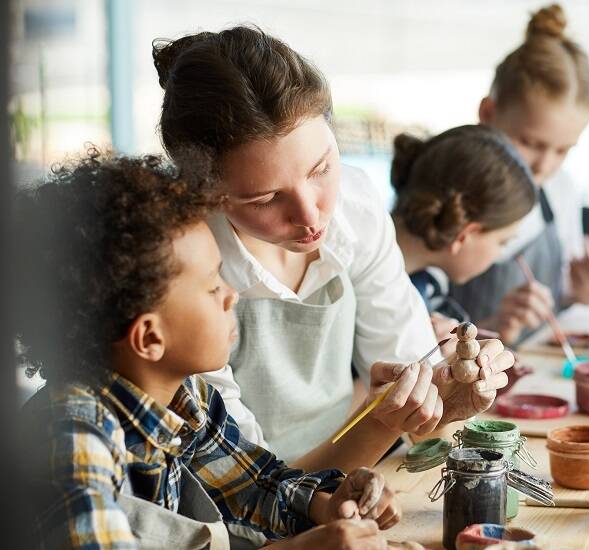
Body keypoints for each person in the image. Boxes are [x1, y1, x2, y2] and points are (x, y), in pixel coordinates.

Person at [152, 26, 514, 473]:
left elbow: (416, 402)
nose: (311, 215)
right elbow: (244, 486)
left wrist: (444, 398)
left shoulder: (355, 207)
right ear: (204, 192)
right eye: (265, 199)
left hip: (350, 479)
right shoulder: (181, 267)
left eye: (322, 168)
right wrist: (384, 422)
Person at [16, 150, 398, 549]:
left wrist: (328, 505)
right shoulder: (73, 435)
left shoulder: (185, 397)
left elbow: (254, 488)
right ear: (149, 338)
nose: (231, 295)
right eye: (213, 286)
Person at [449, 4, 589, 345]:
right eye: (530, 143)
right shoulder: (444, 193)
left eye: (563, 150)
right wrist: (494, 324)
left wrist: (582, 292)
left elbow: (558, 295)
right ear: (488, 113)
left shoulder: (559, 190)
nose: (544, 166)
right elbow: (410, 332)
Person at [390, 124, 536, 340]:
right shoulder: (364, 284)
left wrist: (496, 326)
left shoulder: (426, 282)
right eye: (502, 242)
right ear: (465, 234)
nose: (499, 254)